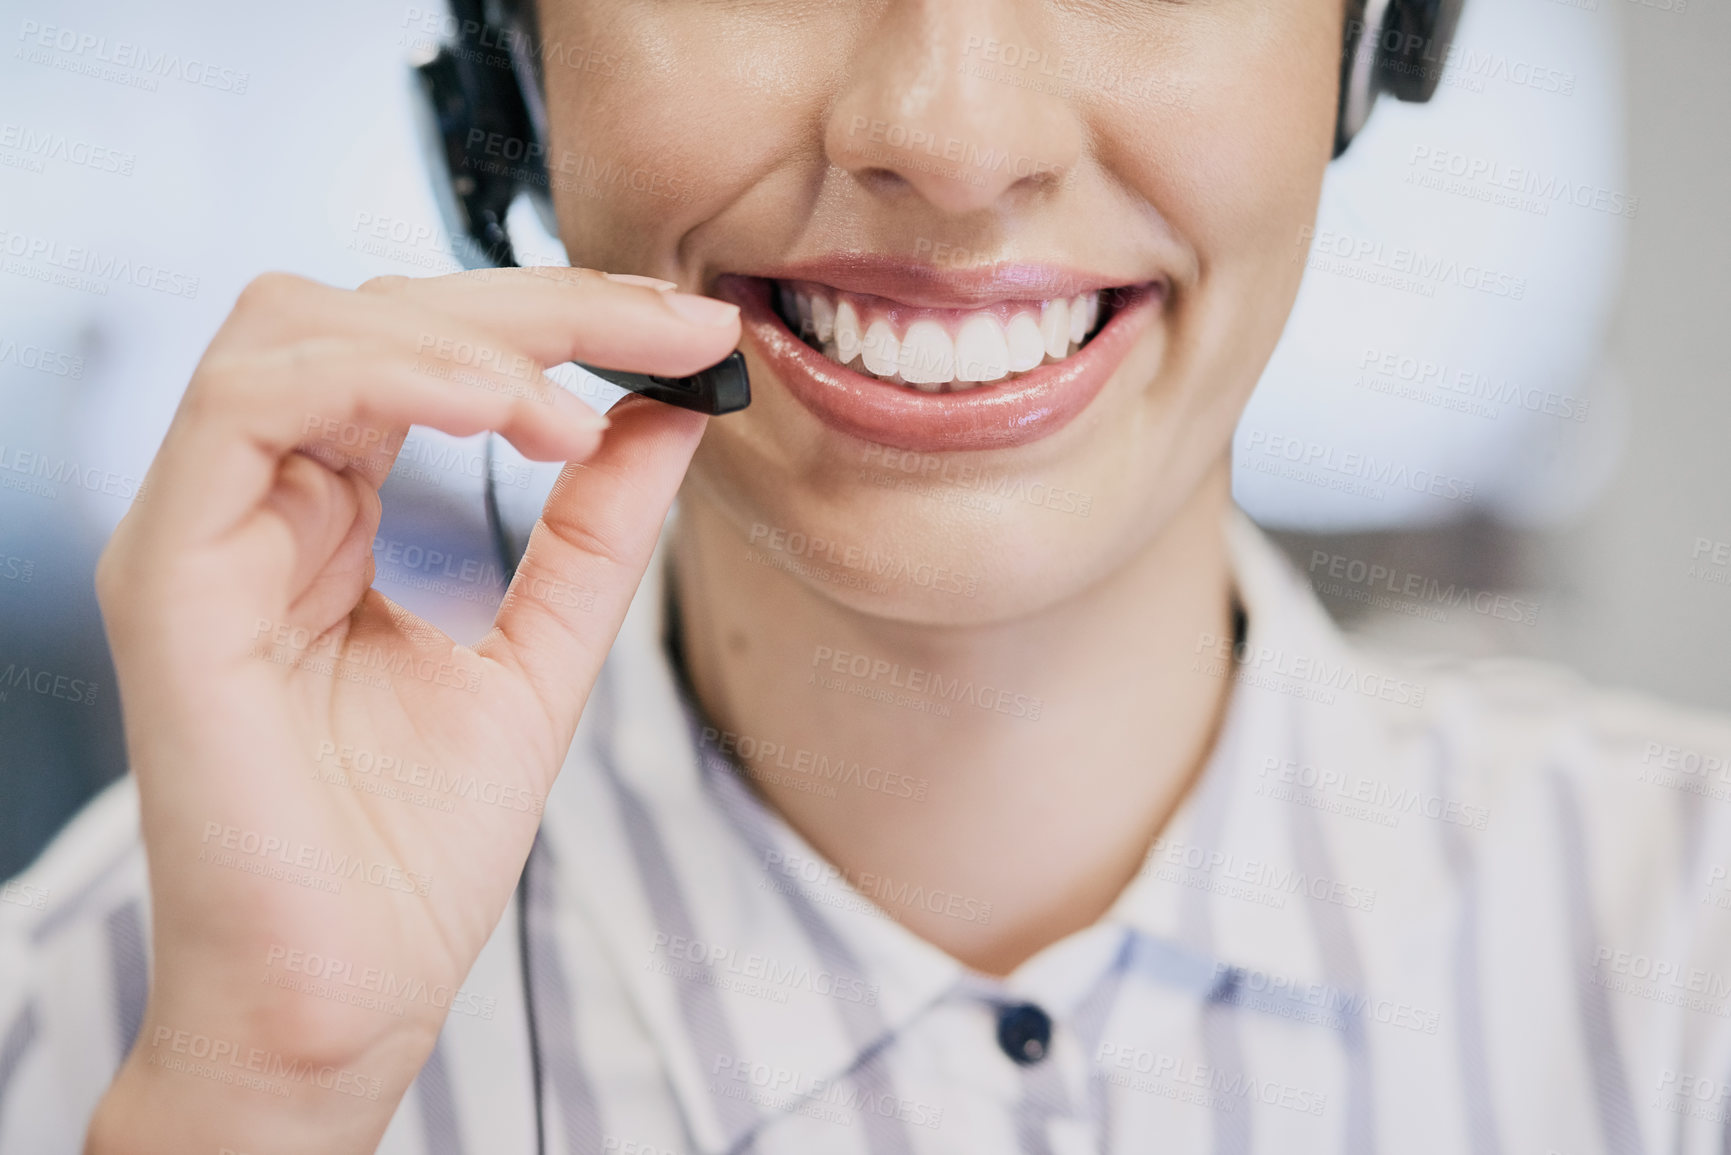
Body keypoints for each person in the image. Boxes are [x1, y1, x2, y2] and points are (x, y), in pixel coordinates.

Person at [2, 0, 1728, 1151]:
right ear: (511, 71)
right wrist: (257, 1105)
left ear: (1370, 47)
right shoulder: (106, 1036)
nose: (953, 137)